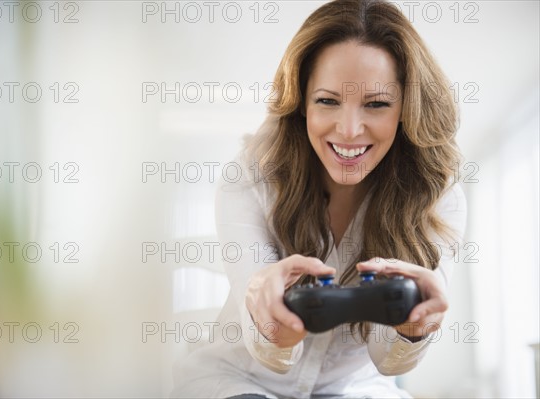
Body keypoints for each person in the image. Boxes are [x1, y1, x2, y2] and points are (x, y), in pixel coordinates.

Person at [171, 0, 467, 397]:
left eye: (376, 104)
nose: (348, 130)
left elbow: (389, 361)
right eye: (327, 101)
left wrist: (414, 329)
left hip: (355, 386)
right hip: (240, 378)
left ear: (406, 110)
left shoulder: (437, 197)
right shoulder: (251, 178)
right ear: (301, 104)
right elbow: (270, 355)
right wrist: (270, 319)